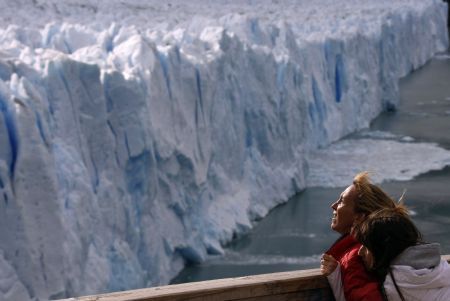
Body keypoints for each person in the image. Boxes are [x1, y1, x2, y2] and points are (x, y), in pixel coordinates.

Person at [320, 172, 398, 301]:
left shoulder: (359, 255)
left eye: (341, 201)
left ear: (360, 216)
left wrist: (336, 277)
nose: (333, 205)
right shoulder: (383, 244)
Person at [353, 207, 450, 301]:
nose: (359, 252)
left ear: (382, 249)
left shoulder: (391, 285)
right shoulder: (441, 267)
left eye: (366, 247)